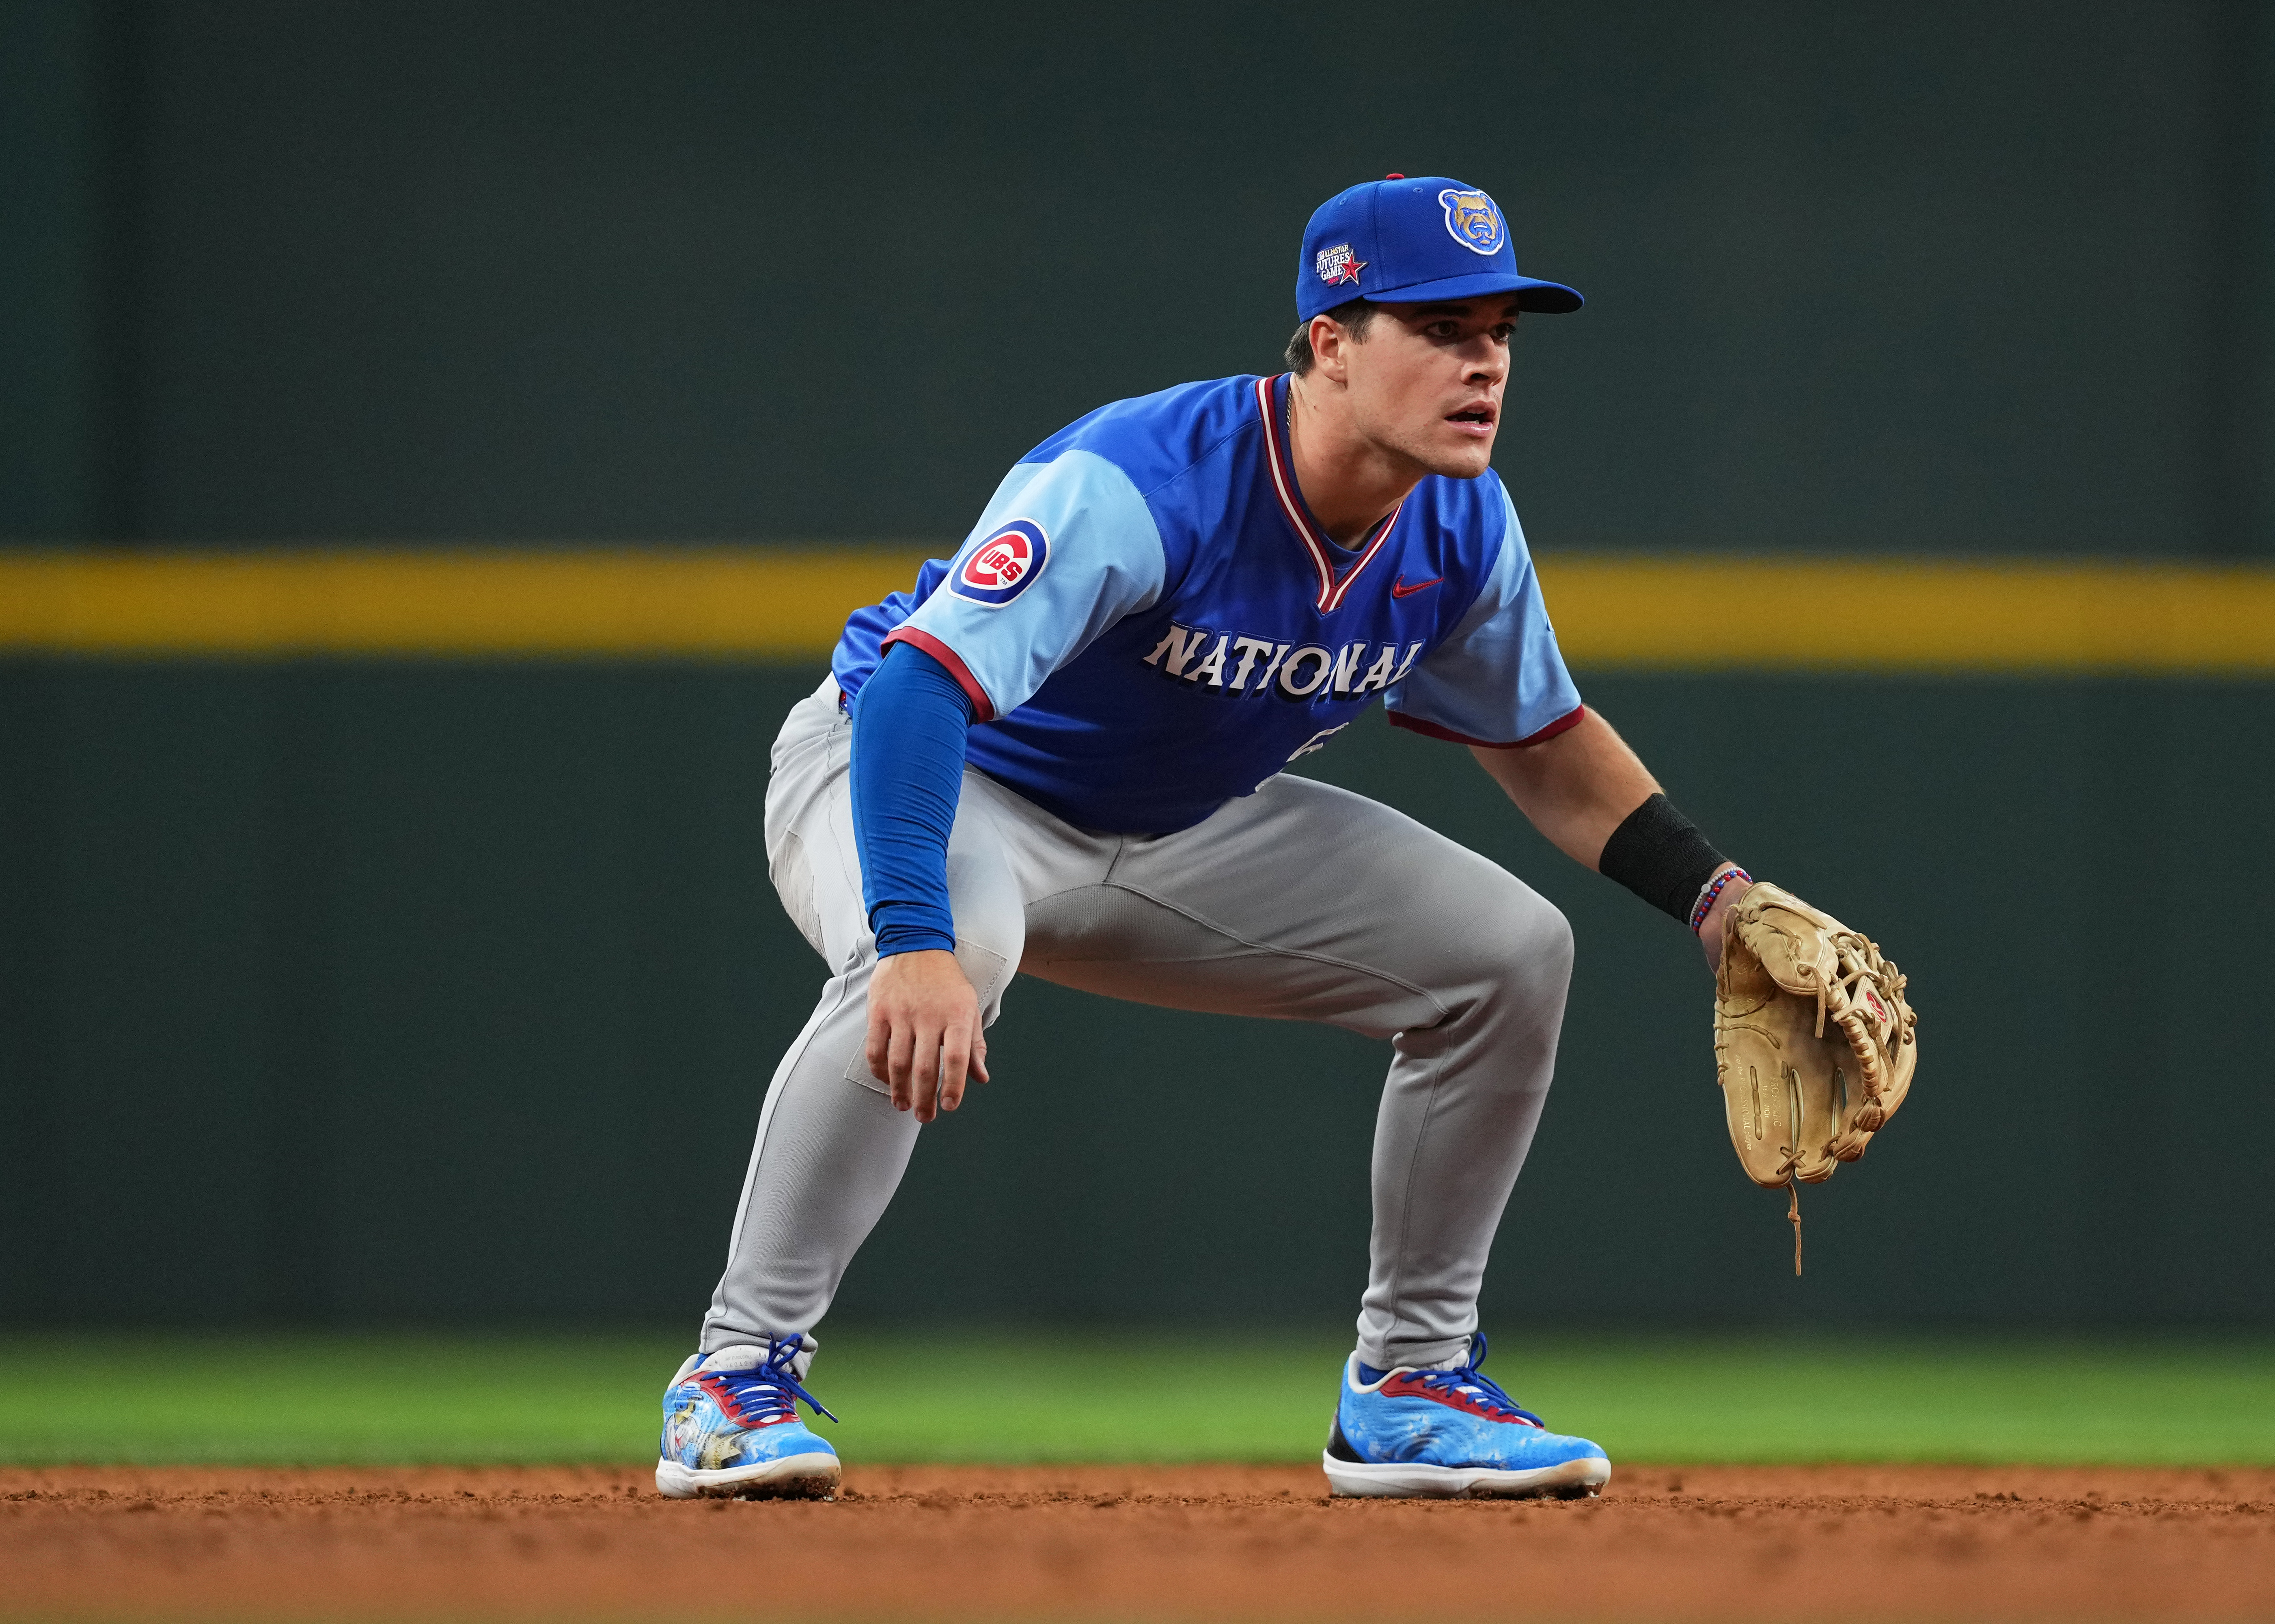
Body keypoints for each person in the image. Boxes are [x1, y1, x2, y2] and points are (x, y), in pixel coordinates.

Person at [656, 176, 1755, 1501]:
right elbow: (917, 687)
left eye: (1500, 333)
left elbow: (1544, 745)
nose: (1482, 362)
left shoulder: (1462, 524)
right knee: (964, 937)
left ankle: (1409, 1383)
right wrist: (911, 935)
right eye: (1439, 326)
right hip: (918, 772)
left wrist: (1720, 903)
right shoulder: (1139, 479)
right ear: (1331, 343)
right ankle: (733, 1372)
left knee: (1510, 953)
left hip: (1172, 826)